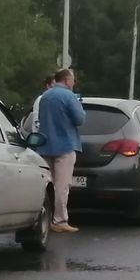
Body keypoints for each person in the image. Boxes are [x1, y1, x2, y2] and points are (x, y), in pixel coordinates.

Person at [36, 69, 85, 233]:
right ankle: (60, 220)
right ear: (66, 80)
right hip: (65, 145)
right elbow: (80, 118)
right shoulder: (69, 96)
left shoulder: (45, 96)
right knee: (62, 186)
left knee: (47, 186)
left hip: (46, 145)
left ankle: (45, 218)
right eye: (73, 80)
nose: (74, 83)